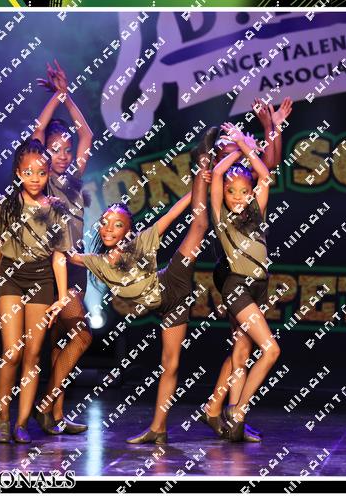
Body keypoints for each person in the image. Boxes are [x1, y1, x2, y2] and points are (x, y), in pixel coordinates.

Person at [65, 164, 211, 444]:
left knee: (199, 226)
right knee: (168, 364)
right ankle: (159, 430)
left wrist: (197, 188)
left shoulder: (142, 241)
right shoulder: (96, 262)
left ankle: (207, 175)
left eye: (117, 224)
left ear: (128, 230)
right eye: (105, 222)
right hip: (163, 306)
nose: (109, 229)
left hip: (174, 281)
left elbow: (172, 214)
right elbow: (65, 254)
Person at [0, 139, 70, 444]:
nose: (35, 178)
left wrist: (62, 296)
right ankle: (3, 417)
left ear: (48, 172)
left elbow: (59, 256)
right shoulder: (6, 205)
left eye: (41, 172)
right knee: (12, 351)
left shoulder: (56, 209)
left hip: (42, 279)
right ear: (17, 172)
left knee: (33, 353)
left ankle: (22, 422)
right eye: (28, 172)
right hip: (12, 278)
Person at [206, 122, 281, 442]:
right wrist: (239, 147)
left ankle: (235, 420)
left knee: (241, 351)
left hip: (259, 286)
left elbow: (265, 176)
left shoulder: (256, 212)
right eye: (231, 192)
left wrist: (247, 148)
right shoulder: (221, 217)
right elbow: (218, 174)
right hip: (236, 285)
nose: (237, 197)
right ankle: (237, 411)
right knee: (271, 350)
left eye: (243, 192)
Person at [30, 60, 94, 435]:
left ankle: (55, 414)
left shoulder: (73, 178)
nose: (64, 155)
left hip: (75, 265)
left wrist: (67, 96)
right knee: (81, 336)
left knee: (64, 341)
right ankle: (44, 406)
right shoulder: (43, 181)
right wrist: (55, 97)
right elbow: (38, 131)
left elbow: (86, 133)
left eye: (66, 149)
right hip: (52, 266)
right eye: (55, 150)